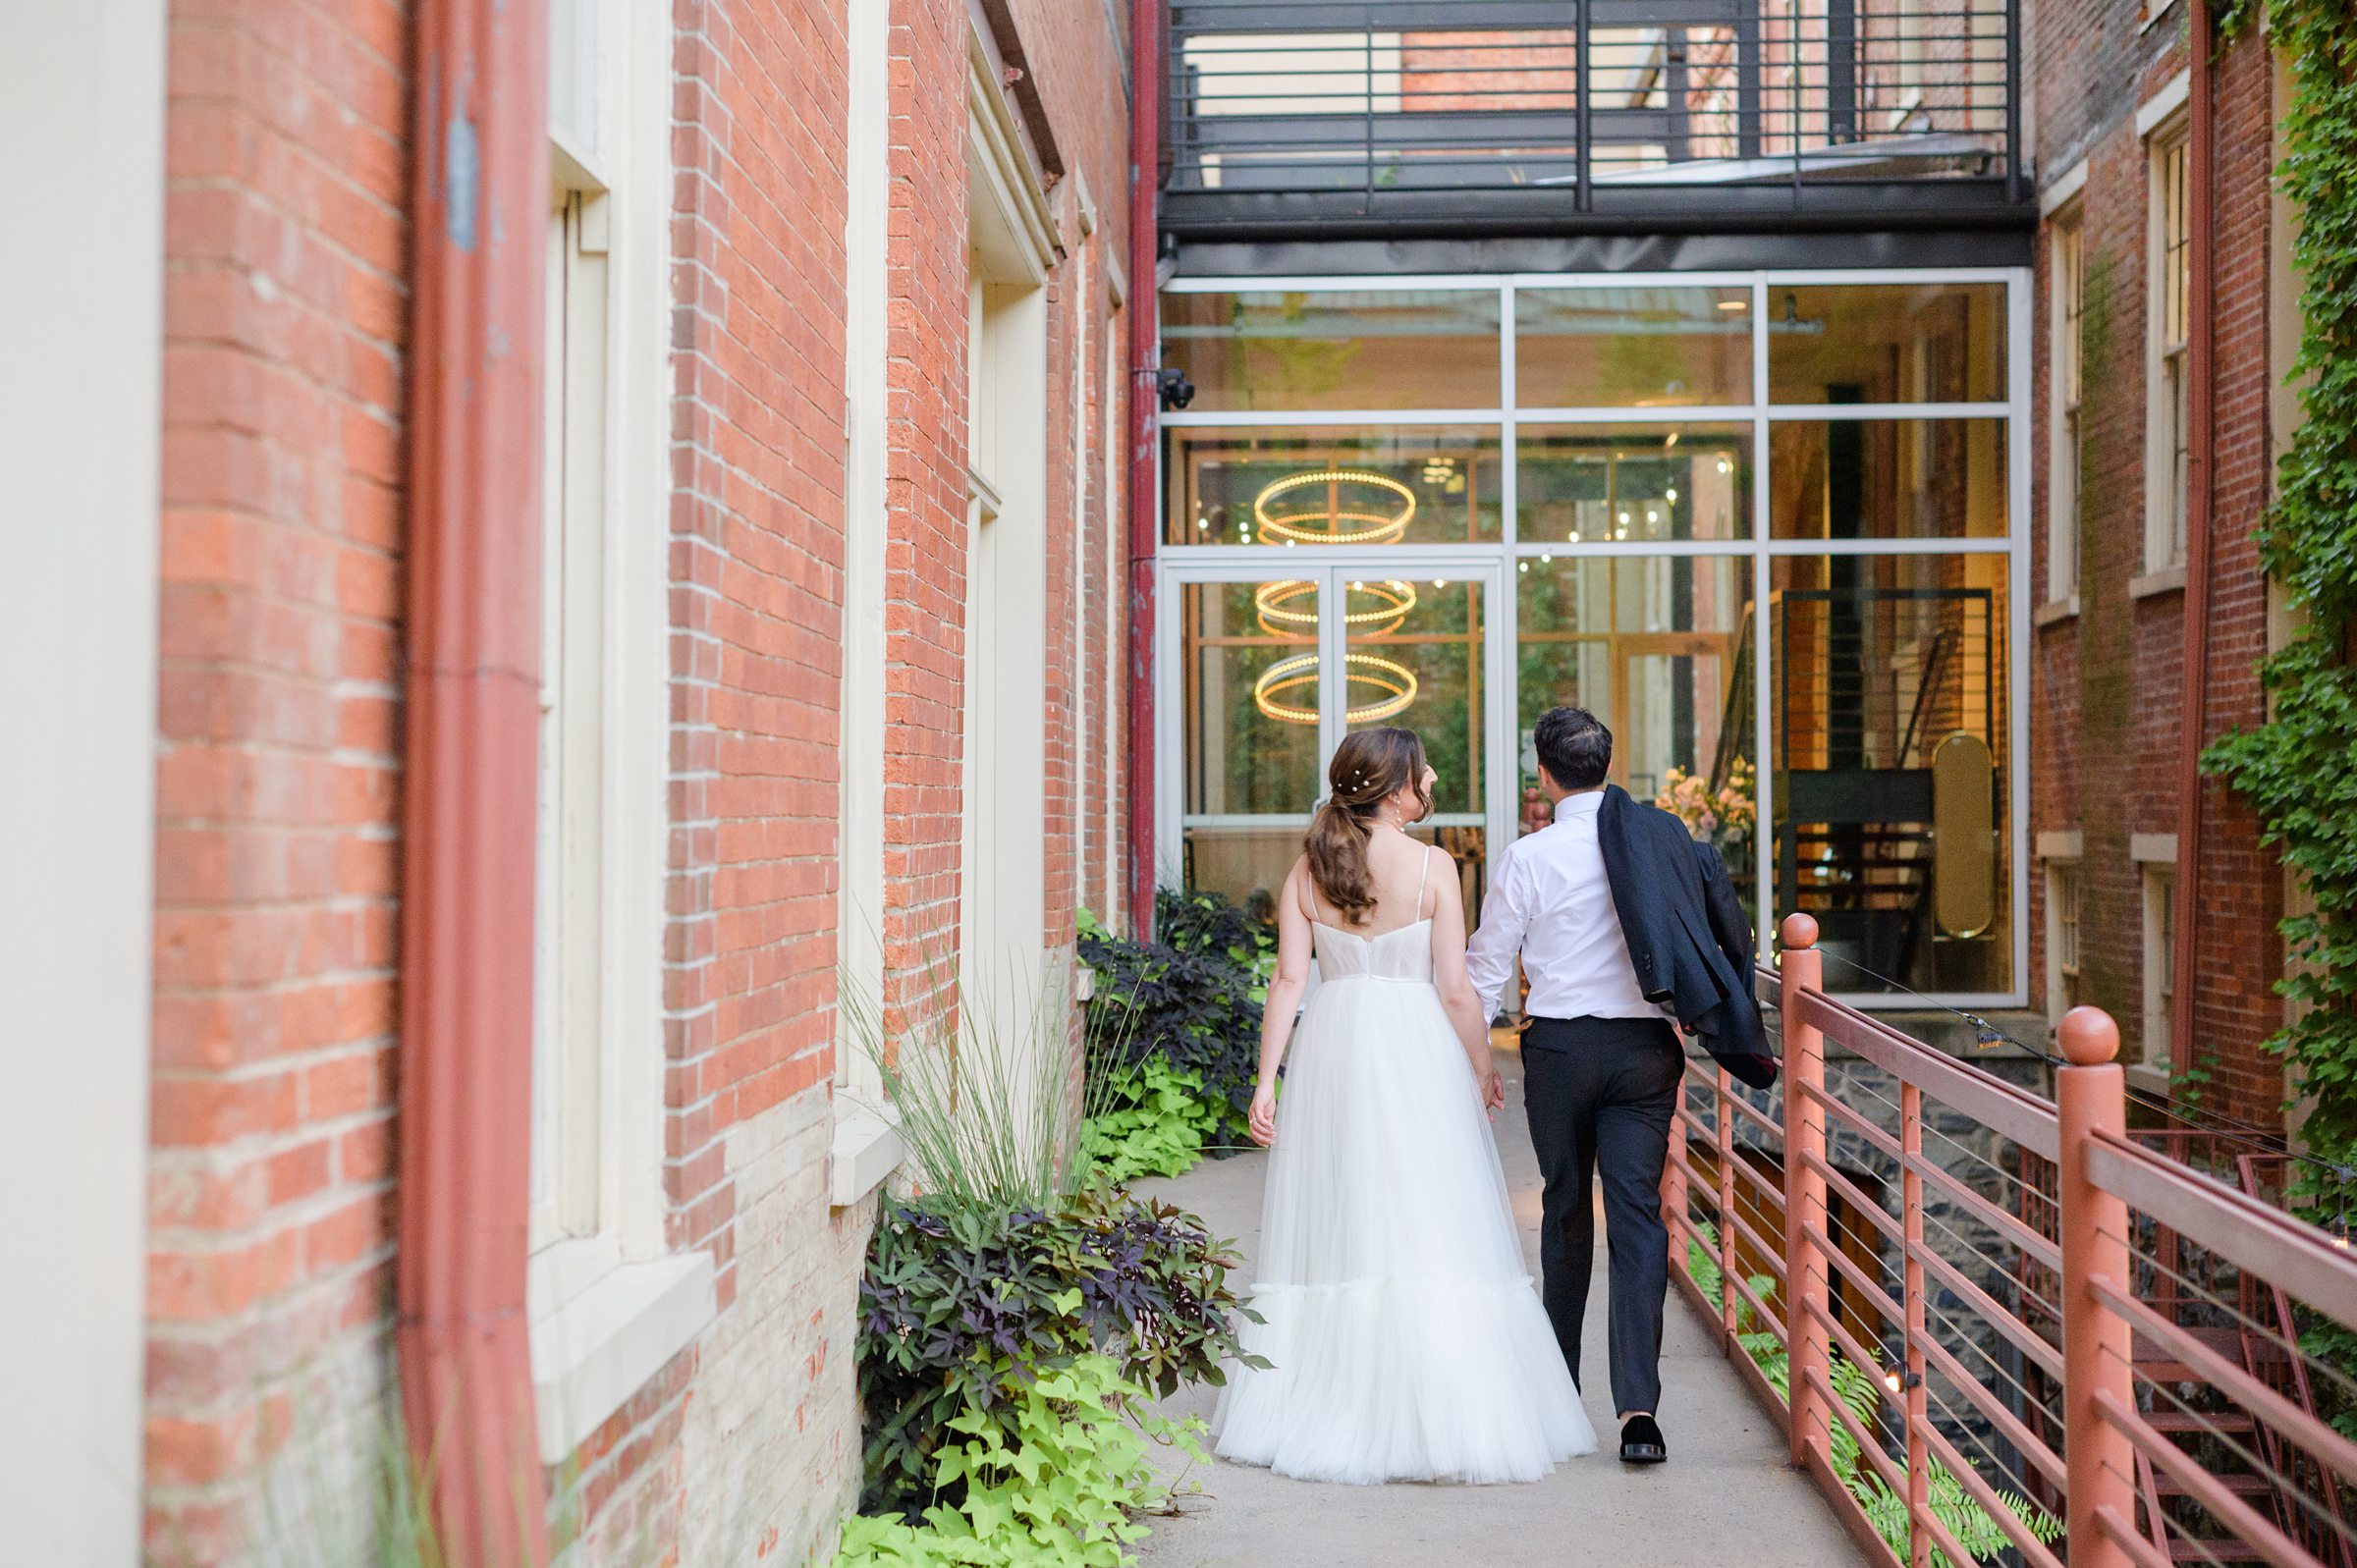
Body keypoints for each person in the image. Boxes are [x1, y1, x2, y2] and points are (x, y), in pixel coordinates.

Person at [1209, 726, 1595, 1485]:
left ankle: (1328, 1398)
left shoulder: (1308, 868)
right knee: (1428, 1211)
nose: (1434, 776)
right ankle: (1437, 1411)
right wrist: (1483, 1066)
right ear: (1396, 790)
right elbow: (1456, 989)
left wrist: (1266, 1080)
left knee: (1344, 1211)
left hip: (1335, 1048)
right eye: (1423, 771)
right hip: (1415, 1046)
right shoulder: (1433, 868)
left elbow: (1287, 983)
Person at [1465, 706, 1775, 1468]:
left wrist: (1470, 1061)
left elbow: (1484, 971)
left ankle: (1558, 1392)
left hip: (1561, 1050)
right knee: (1638, 1218)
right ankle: (1640, 1413)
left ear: (1543, 775)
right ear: (1609, 766)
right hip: (1644, 1052)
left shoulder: (1527, 858)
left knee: (1565, 1207)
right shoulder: (1662, 840)